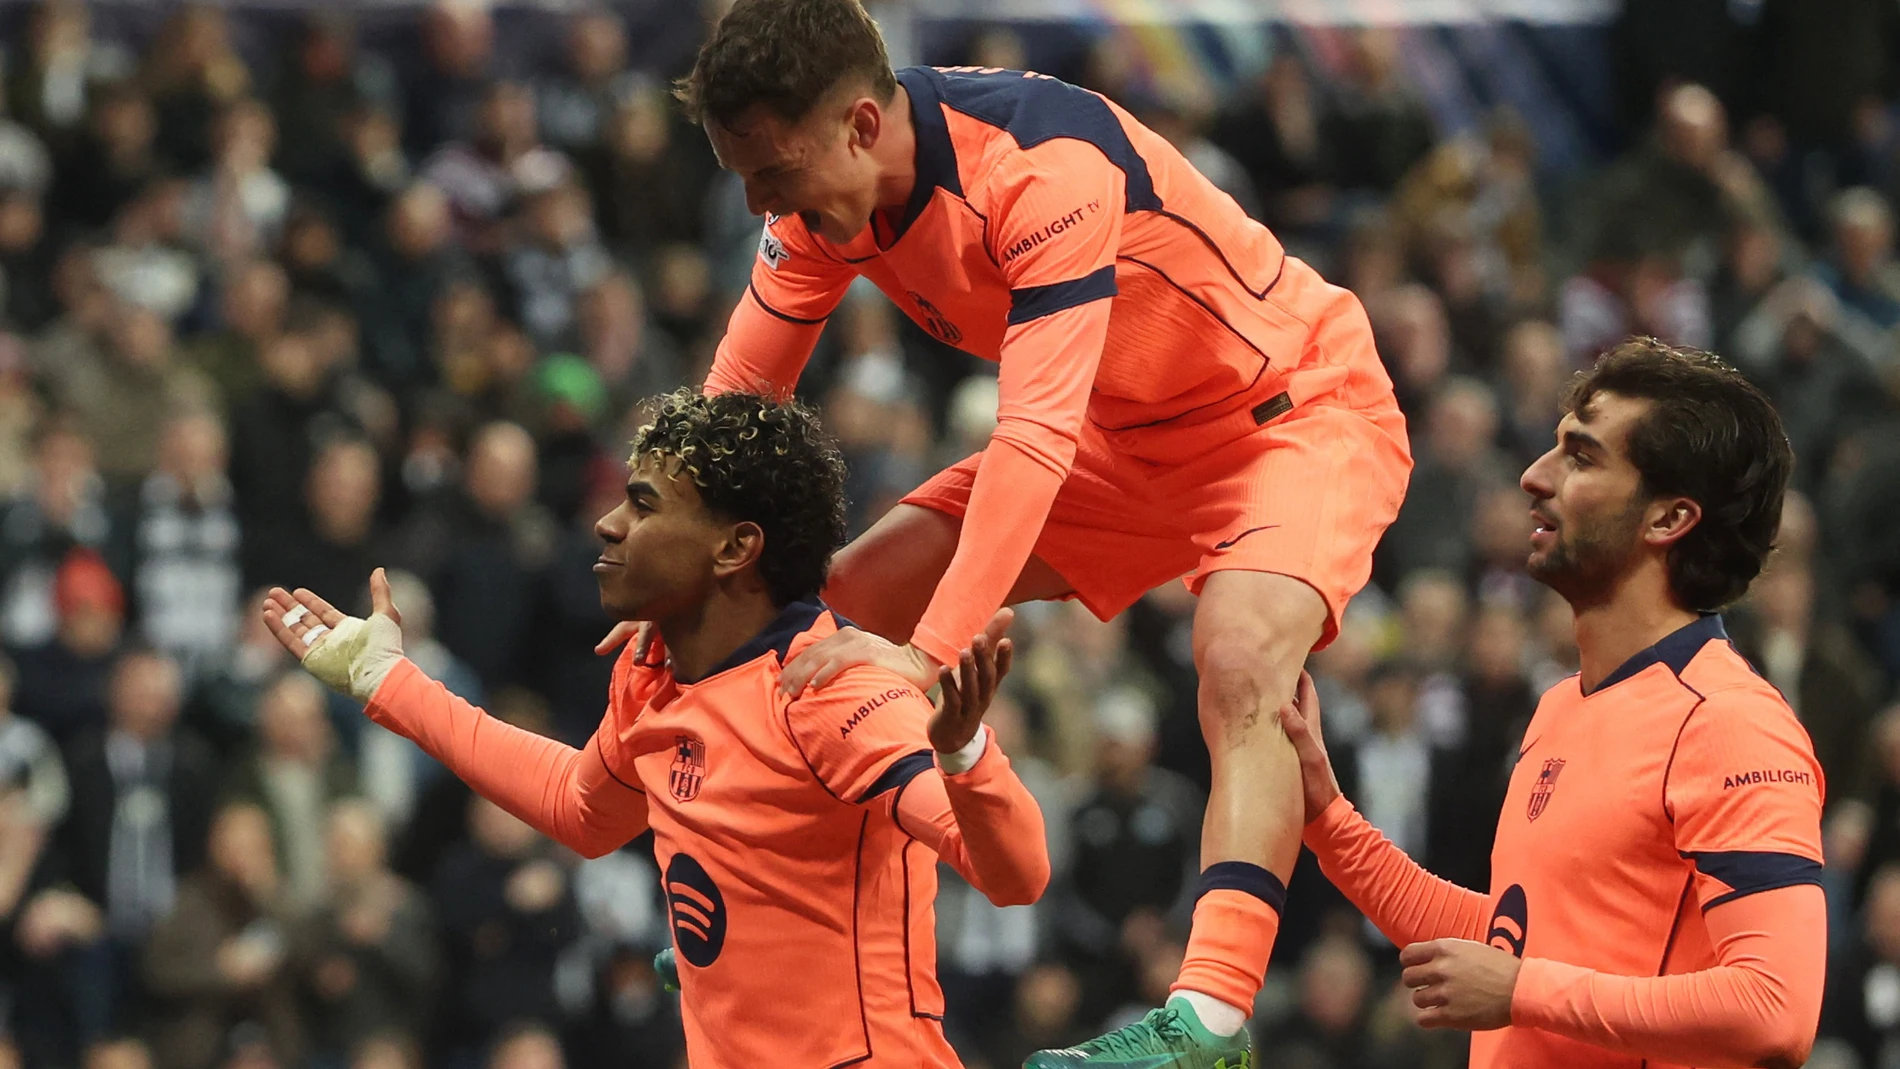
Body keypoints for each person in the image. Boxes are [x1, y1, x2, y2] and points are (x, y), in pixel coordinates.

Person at [611, 2, 1414, 1062]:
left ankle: (1207, 1026)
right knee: (817, 609)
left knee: (1236, 657)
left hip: (1291, 412)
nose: (761, 202)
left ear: (858, 126)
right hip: (1124, 439)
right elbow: (728, 419)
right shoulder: (817, 214)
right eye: (744, 178)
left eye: (772, 173)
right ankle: (765, 905)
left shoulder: (1041, 169)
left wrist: (923, 657)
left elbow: (1031, 441)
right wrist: (677, 587)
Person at [259, 389, 1050, 1069]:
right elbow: (583, 808)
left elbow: (1015, 875)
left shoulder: (831, 689)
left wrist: (964, 750)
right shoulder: (651, 675)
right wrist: (389, 681)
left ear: (736, 547)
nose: (607, 524)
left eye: (643, 504)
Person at [1280, 339, 1824, 1068]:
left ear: (1668, 520)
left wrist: (1524, 989)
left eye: (1582, 457)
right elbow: (1512, 940)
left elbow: (1775, 1009)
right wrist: (1328, 820)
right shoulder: (1560, 706)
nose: (1535, 476)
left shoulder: (1729, 722)